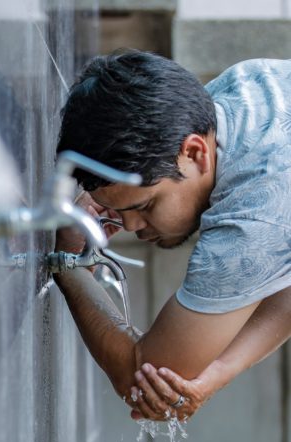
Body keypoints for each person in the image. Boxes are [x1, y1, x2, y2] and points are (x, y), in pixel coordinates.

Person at [53, 50, 291, 422]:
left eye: (145, 206)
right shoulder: (248, 88)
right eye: (121, 209)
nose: (129, 226)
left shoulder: (252, 217)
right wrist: (220, 372)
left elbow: (147, 376)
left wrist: (69, 267)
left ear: (196, 153)